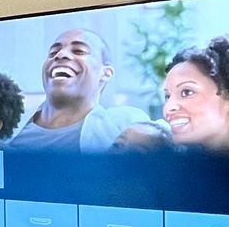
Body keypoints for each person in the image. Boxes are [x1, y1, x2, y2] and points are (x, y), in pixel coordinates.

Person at [9, 26, 151, 152]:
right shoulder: (2, 124)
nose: (60, 55)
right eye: (53, 53)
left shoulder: (126, 125)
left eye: (79, 51)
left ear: (106, 73)